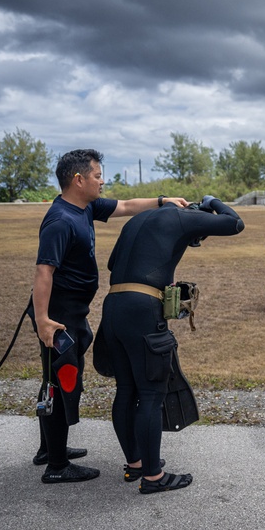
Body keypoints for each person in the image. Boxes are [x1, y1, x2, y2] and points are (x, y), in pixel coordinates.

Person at [31, 148, 187, 484]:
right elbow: (44, 271)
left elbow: (128, 206)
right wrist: (43, 319)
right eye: (98, 175)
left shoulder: (85, 207)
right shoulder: (61, 220)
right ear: (79, 179)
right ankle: (56, 466)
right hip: (59, 317)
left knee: (58, 379)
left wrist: (164, 201)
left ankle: (50, 447)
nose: (102, 181)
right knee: (63, 382)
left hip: (73, 312)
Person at [100, 195, 244, 493]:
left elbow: (114, 263)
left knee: (126, 389)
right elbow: (234, 223)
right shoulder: (181, 216)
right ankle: (153, 477)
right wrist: (213, 201)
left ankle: (135, 463)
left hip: (113, 306)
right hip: (142, 309)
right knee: (152, 394)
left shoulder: (136, 220)